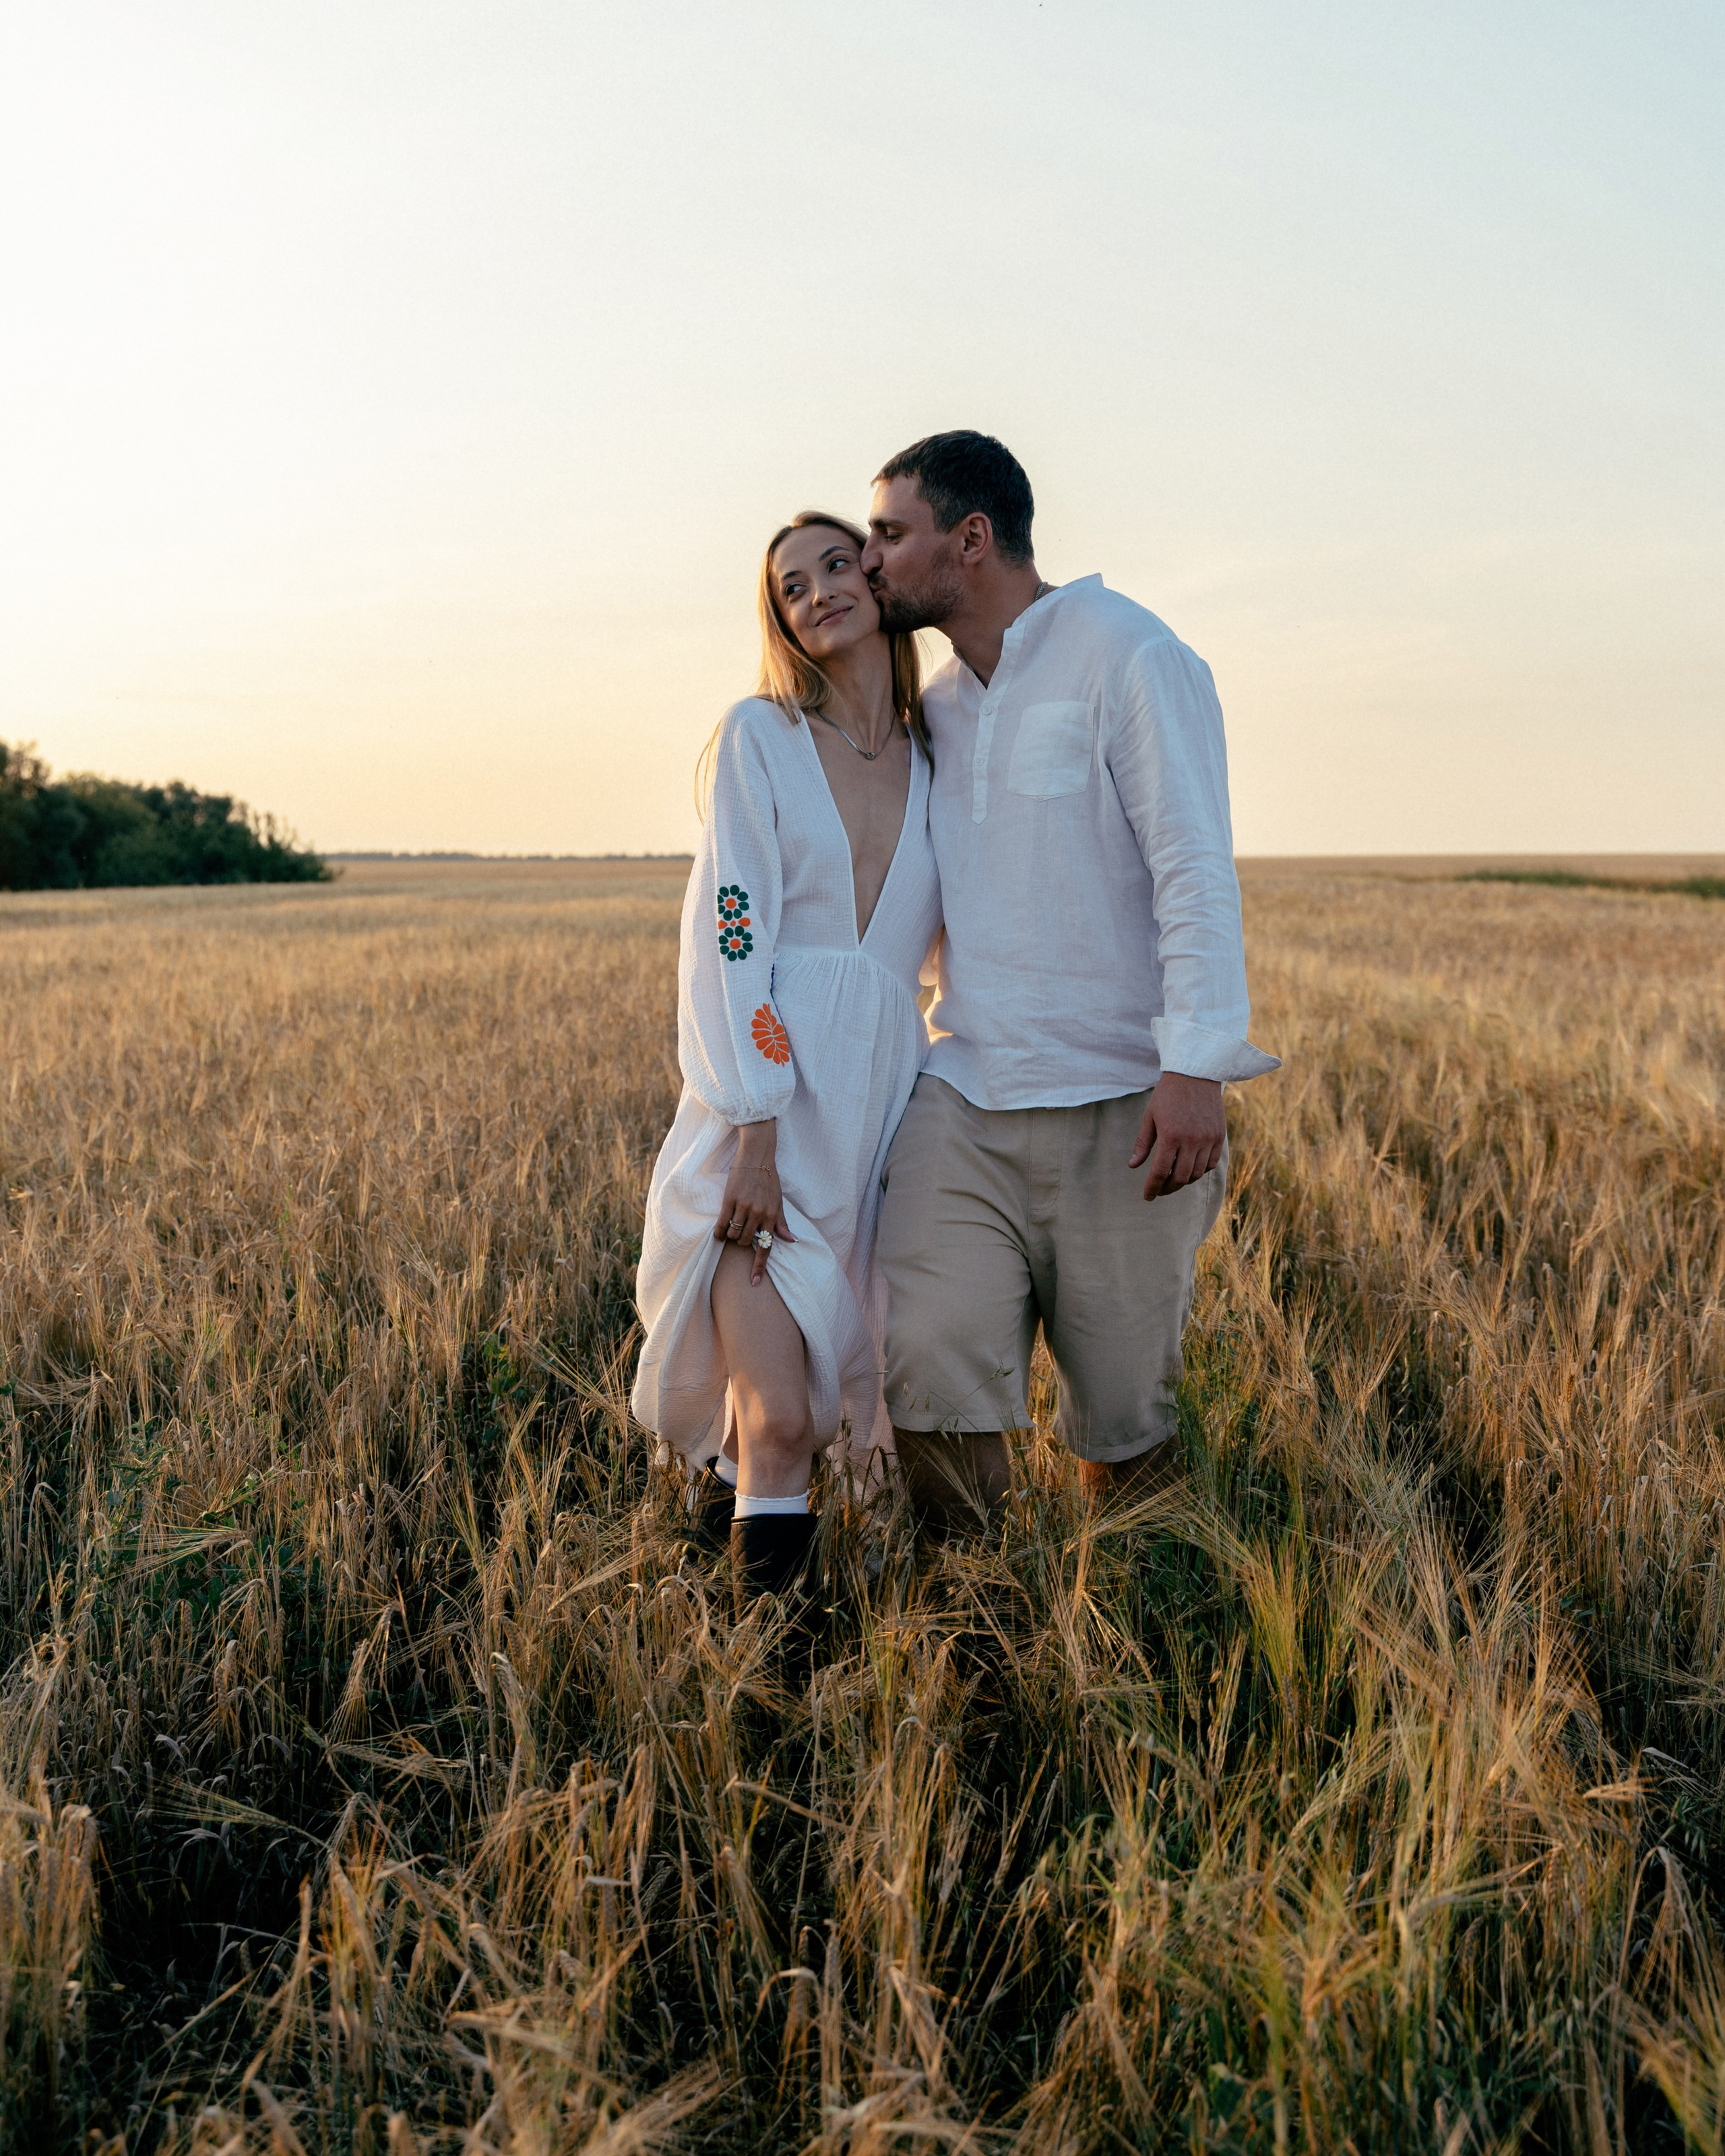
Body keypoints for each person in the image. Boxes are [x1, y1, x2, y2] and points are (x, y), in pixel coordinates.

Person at [860, 431, 1279, 1533]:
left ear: (973, 538)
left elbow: (1194, 864)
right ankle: (984, 1620)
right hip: (968, 1099)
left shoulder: (1128, 653)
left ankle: (1122, 1640)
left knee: (1122, 1425)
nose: (870, 560)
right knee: (928, 1367)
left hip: (1122, 1107)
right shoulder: (938, 708)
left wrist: (1194, 1065)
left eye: (890, 534)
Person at [631, 512, 941, 1602]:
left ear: (880, 574)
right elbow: (731, 933)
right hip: (764, 1114)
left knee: (822, 1411)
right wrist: (754, 1126)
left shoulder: (941, 757)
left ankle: (721, 1566)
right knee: (785, 1417)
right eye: (789, 587)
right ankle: (763, 1683)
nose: (816, 592)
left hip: (875, 1132)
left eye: (836, 564)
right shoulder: (760, 739)